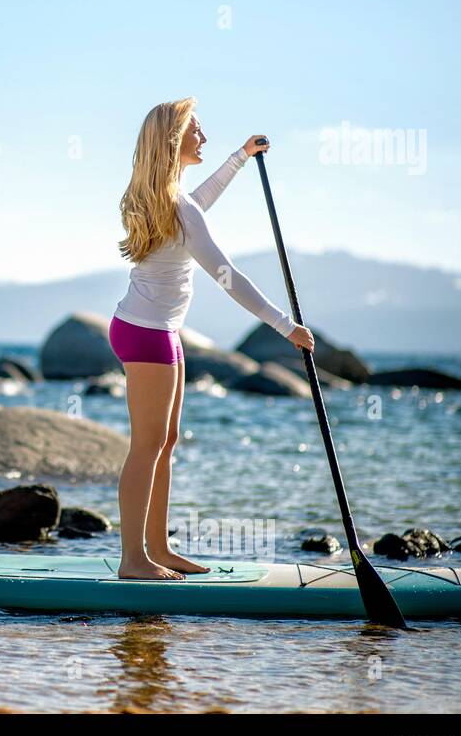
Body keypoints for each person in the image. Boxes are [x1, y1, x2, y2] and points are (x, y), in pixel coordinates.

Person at [111, 97, 314, 580]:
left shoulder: (171, 201)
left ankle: (157, 549)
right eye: (196, 130)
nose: (204, 137)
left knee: (165, 441)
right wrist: (285, 326)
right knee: (147, 445)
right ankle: (132, 560)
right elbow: (227, 276)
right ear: (173, 140)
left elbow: (201, 201)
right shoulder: (176, 207)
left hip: (155, 331)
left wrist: (240, 158)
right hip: (147, 335)